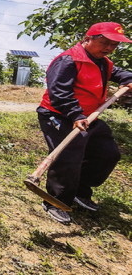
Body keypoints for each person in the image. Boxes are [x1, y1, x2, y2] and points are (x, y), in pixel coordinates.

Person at [38, 22, 132, 223]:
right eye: (104, 42)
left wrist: (129, 78)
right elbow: (59, 93)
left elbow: (117, 73)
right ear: (88, 39)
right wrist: (75, 115)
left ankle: (80, 190)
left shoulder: (103, 61)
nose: (109, 48)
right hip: (59, 115)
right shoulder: (68, 60)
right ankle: (55, 201)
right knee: (69, 154)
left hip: (88, 116)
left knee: (108, 153)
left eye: (114, 45)